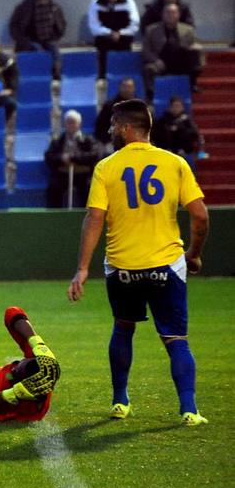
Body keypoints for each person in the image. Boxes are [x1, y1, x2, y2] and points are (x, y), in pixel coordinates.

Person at [68, 99, 209, 425]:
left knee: (123, 327)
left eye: (113, 125)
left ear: (126, 128)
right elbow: (200, 216)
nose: (109, 130)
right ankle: (189, 409)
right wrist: (194, 253)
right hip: (166, 265)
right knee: (176, 339)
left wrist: (83, 268)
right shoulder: (174, 163)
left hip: (122, 267)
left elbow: (94, 218)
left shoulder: (106, 167)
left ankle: (120, 401)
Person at [8, 0, 68, 80]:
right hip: (30, 40)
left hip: (49, 40)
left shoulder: (55, 7)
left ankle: (56, 77)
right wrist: (24, 41)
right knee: (35, 52)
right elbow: (13, 26)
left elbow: (62, 24)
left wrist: (55, 37)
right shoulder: (24, 7)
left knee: (55, 54)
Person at [141, 2, 203, 99]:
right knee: (149, 69)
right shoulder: (151, 30)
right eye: (167, 12)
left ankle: (191, 85)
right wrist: (155, 60)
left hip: (180, 61)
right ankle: (152, 94)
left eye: (173, 12)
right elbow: (146, 50)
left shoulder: (187, 29)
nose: (170, 15)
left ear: (178, 14)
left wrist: (195, 47)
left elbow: (195, 45)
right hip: (161, 61)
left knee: (194, 55)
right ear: (162, 14)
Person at [45, 109, 102, 208]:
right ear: (64, 124)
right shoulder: (58, 140)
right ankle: (54, 217)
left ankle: (85, 216)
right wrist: (62, 158)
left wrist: (73, 157)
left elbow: (95, 154)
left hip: (83, 174)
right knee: (53, 188)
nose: (71, 125)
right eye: (68, 122)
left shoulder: (88, 139)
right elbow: (49, 156)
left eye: (73, 122)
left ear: (79, 124)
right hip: (63, 174)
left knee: (89, 189)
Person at [87, 0, 140, 78]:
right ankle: (103, 76)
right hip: (104, 36)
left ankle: (124, 75)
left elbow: (134, 23)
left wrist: (120, 33)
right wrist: (109, 32)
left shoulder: (128, 1)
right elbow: (93, 26)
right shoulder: (95, 2)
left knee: (126, 43)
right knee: (100, 42)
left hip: (123, 36)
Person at [152, 96, 205, 161]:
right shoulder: (163, 121)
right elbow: (156, 135)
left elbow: (194, 134)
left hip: (183, 150)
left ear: (182, 107)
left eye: (178, 106)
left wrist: (180, 127)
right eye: (174, 106)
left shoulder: (187, 120)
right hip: (166, 150)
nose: (176, 109)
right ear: (170, 107)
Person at [96, 77, 137, 145]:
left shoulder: (142, 107)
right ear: (119, 88)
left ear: (134, 88)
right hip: (114, 144)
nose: (126, 89)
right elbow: (100, 127)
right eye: (124, 86)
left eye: (129, 87)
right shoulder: (109, 106)